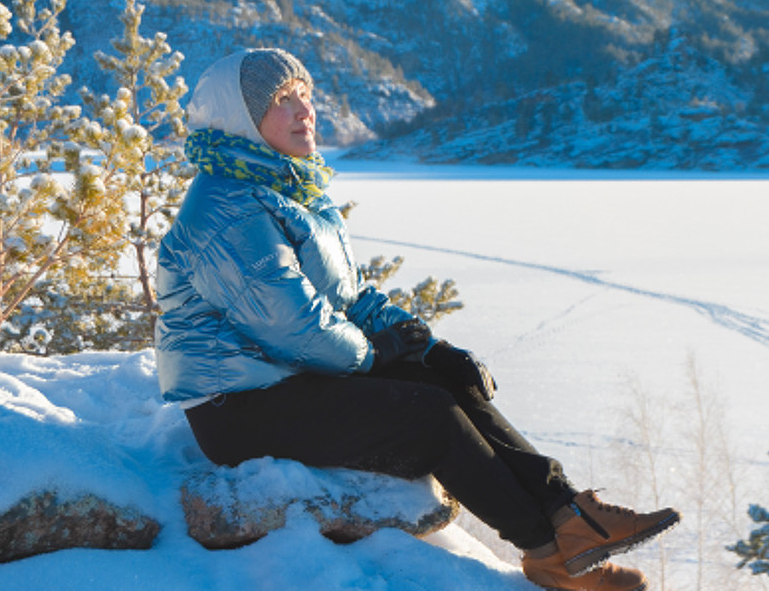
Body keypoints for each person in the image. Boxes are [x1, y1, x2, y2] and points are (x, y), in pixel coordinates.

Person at [155, 48, 680, 590]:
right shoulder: (224, 209)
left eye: (305, 95)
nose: (304, 110)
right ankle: (548, 553)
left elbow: (351, 299)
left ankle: (569, 514)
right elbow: (296, 326)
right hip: (237, 408)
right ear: (239, 120)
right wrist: (374, 354)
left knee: (441, 380)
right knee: (427, 414)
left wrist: (428, 348)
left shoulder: (293, 192)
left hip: (287, 379)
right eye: (282, 100)